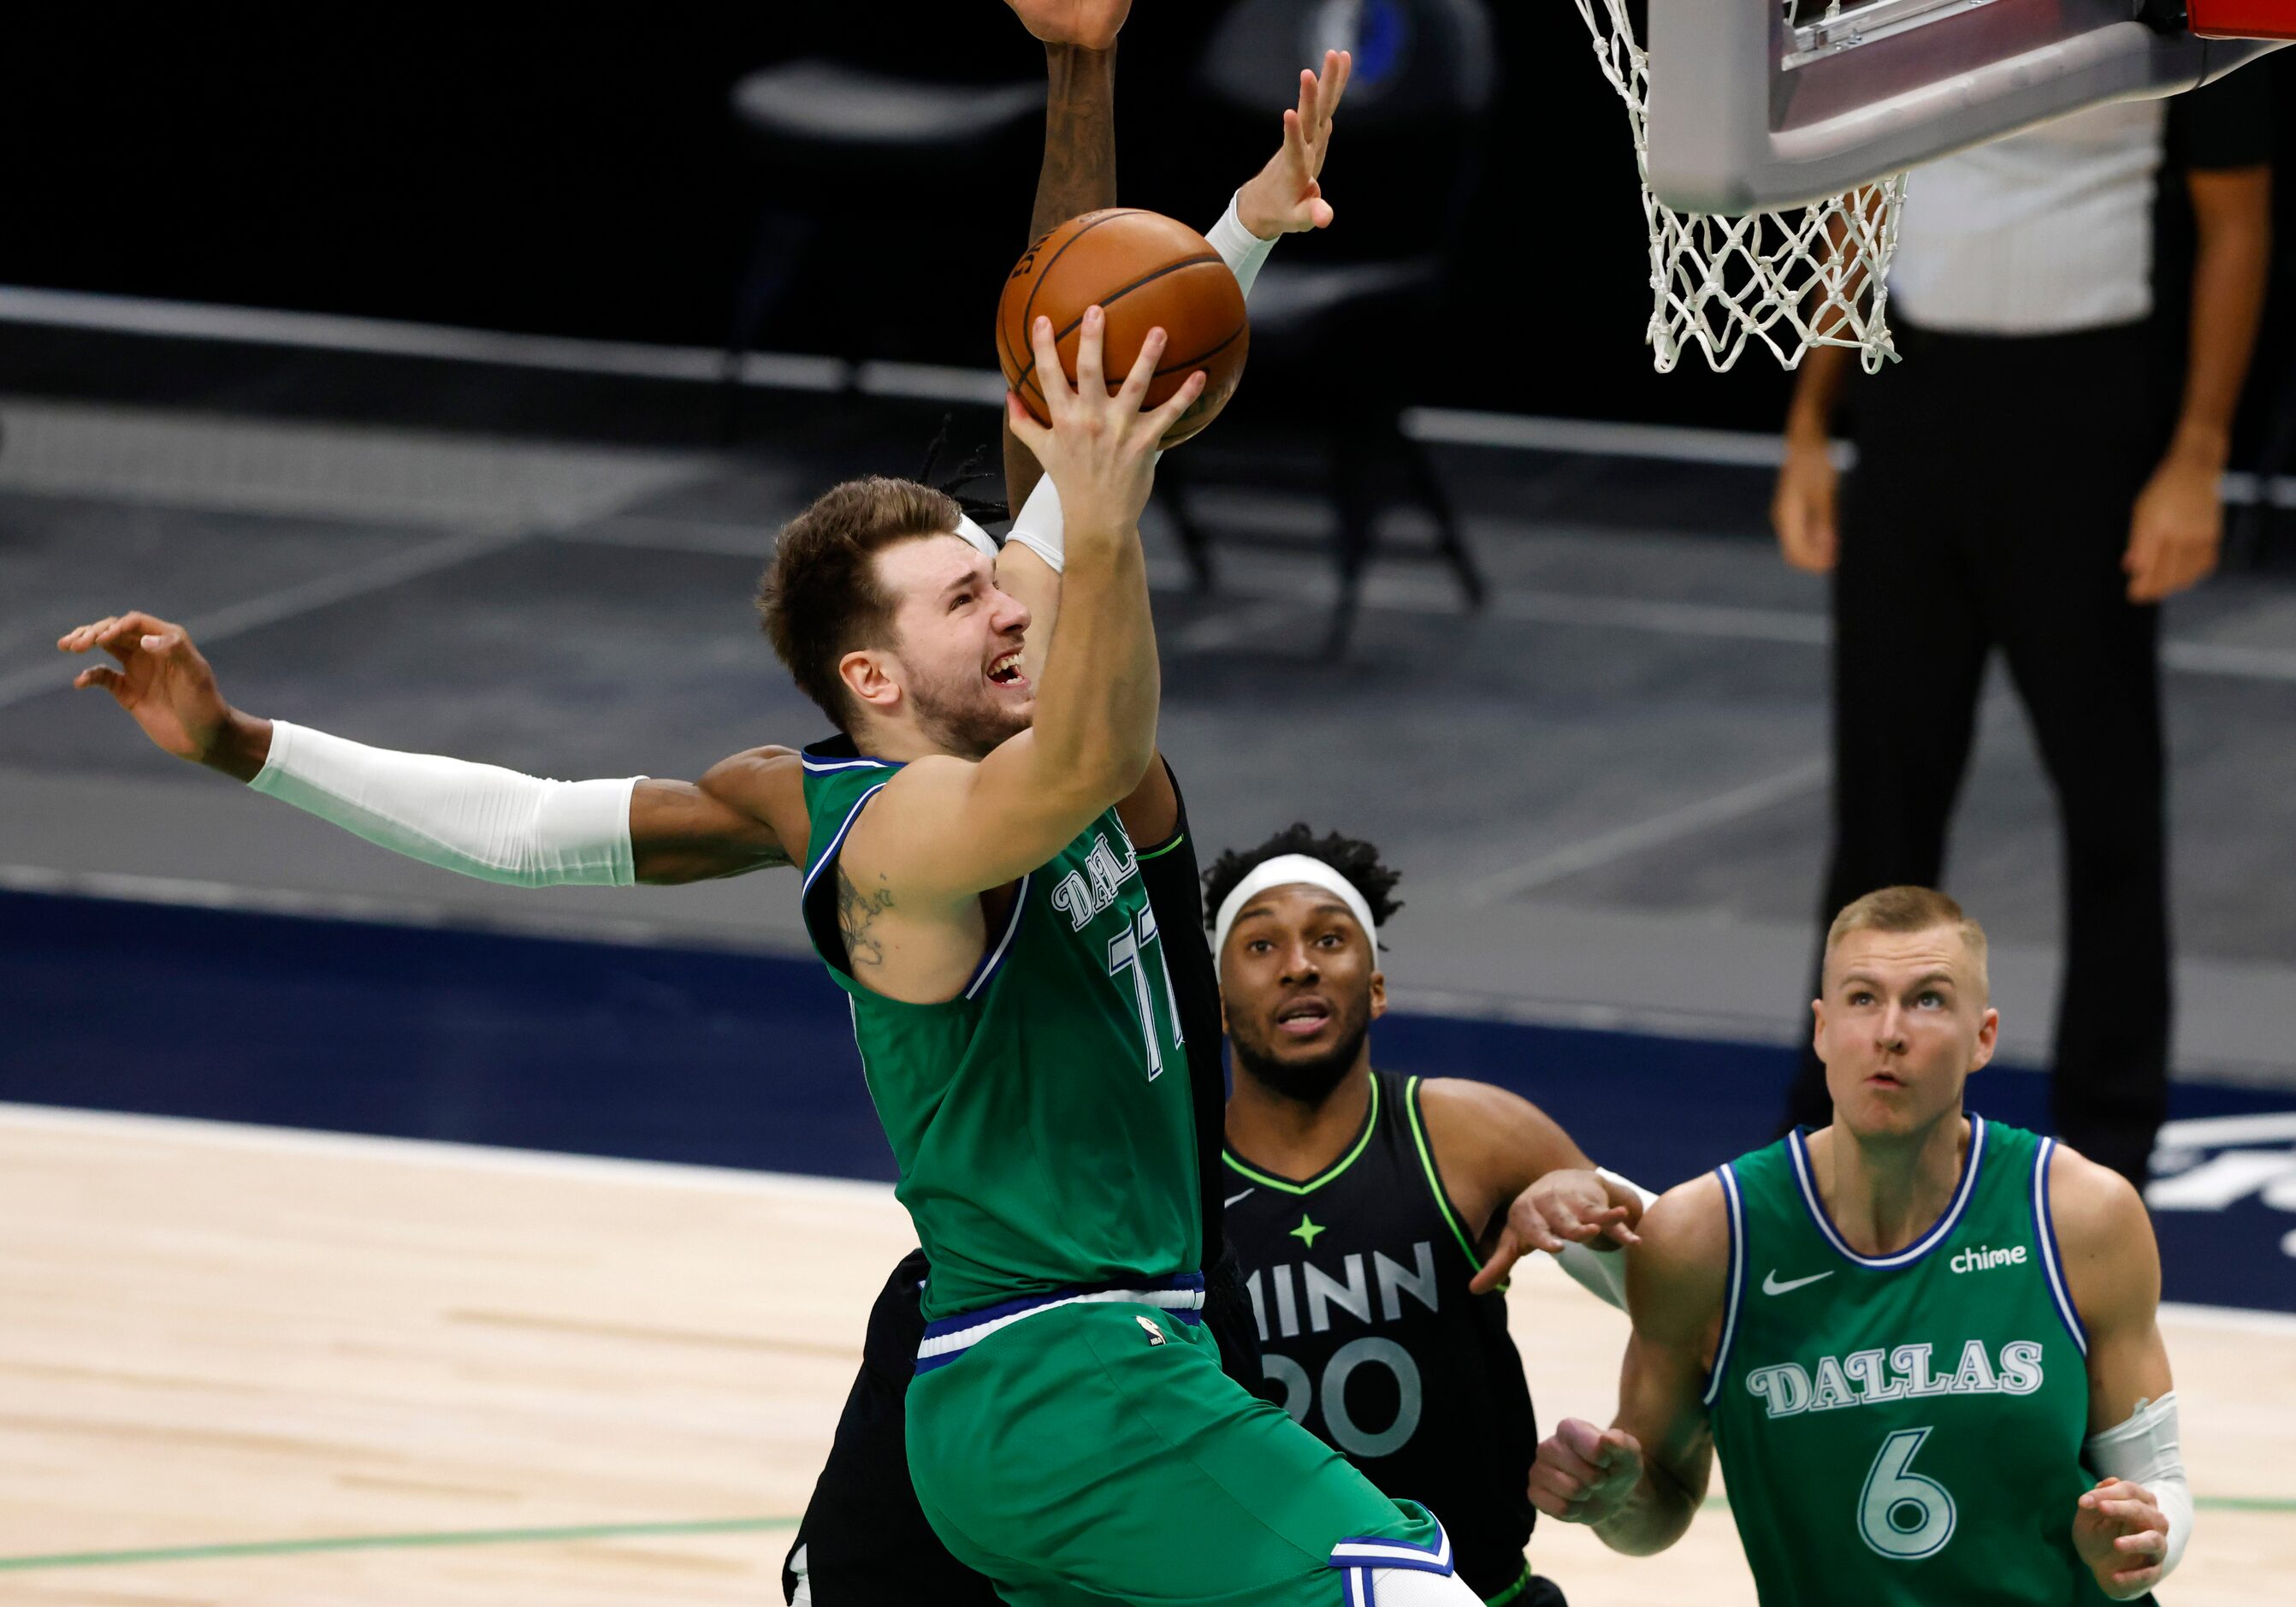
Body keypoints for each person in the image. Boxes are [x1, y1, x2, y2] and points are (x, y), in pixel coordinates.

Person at [1769, 72, 2276, 1186]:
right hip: (1914, 400)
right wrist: (1814, 419)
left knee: (2109, 805)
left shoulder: (2171, 16)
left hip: (2088, 408)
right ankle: (1843, 1118)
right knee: (1883, 807)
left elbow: (2237, 219)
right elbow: (1865, 199)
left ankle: (2111, 1137)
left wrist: (2197, 454)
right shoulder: (1903, 9)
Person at [1530, 886, 2191, 1604]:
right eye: (1863, 999)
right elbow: (1656, 1512)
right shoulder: (1707, 1238)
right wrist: (1611, 1498)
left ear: (1984, 1037)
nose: (1891, 1032)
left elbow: (2160, 1485)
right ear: (1821, 1030)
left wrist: (2139, 1545)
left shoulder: (2080, 1215)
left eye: (1930, 1000)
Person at [1205, 823, 1658, 1607]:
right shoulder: (1172, 1179)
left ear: (1375, 986)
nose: (1299, 965)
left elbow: (1690, 1286)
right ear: (1216, 1002)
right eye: (1261, 946)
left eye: (1329, 938)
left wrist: (1606, 1205)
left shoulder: (1473, 1134)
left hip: (1483, 1593)